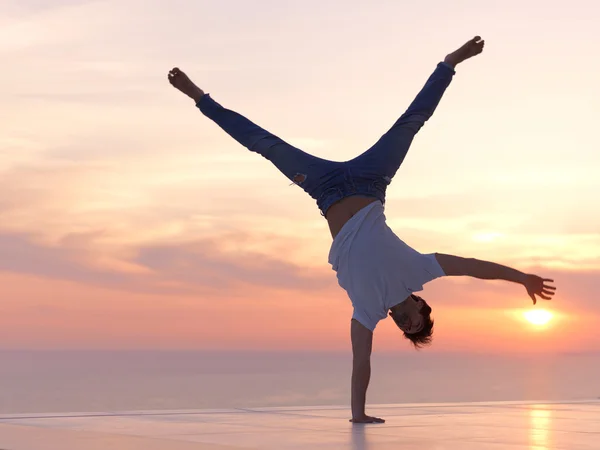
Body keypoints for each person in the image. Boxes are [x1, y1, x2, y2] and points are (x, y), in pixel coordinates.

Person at [168, 36, 557, 424]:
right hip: (372, 181)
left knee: (263, 144)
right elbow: (473, 266)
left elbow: (361, 363)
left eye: (406, 330)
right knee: (411, 122)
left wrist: (359, 415)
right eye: (414, 323)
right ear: (420, 303)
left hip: (325, 188)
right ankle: (449, 63)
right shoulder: (419, 271)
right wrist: (520, 277)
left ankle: (199, 97)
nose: (406, 325)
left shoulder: (368, 312)